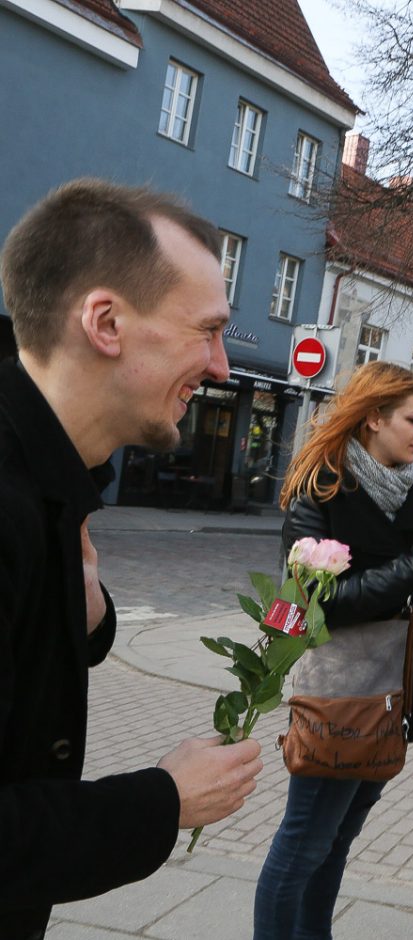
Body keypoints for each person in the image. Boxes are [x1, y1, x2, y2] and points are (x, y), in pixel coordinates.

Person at [0, 179, 263, 939]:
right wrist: (162, 801)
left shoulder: (54, 476)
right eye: (206, 331)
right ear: (106, 322)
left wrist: (86, 618)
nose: (220, 366)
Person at [254, 361, 413, 940]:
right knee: (303, 841)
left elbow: (412, 611)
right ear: (374, 418)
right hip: (337, 692)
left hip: (389, 692)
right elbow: (313, 606)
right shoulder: (321, 486)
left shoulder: (406, 490)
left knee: (338, 839)